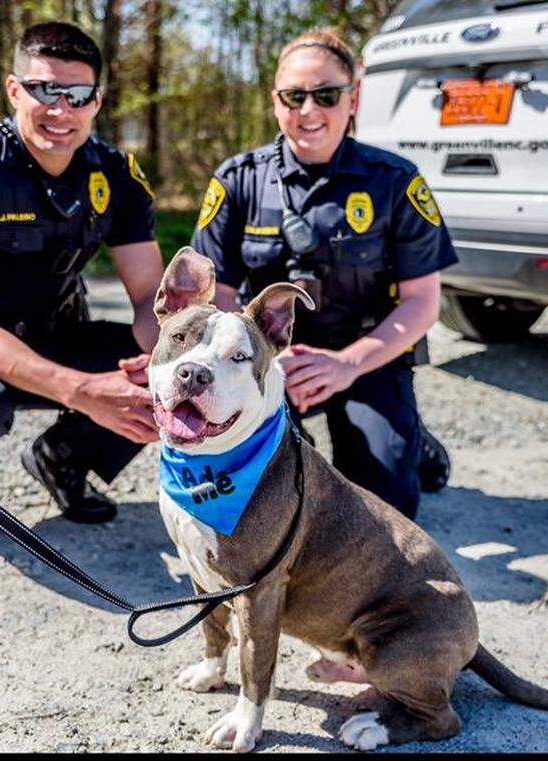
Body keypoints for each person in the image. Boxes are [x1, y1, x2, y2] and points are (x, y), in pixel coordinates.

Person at [0, 21, 163, 553]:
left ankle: (63, 458)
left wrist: (167, 358)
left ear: (97, 101)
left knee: (164, 371)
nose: (61, 110)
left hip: (55, 330)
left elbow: (151, 299)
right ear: (13, 90)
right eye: (45, 90)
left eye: (78, 95)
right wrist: (83, 391)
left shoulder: (116, 174)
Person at [190, 28, 456, 521]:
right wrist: (264, 365)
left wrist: (347, 365)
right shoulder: (238, 180)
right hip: (268, 364)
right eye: (294, 96)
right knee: (264, 490)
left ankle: (406, 435)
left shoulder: (396, 182)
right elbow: (216, 296)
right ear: (275, 102)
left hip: (366, 357)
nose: (309, 111)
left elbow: (423, 302)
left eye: (327, 95)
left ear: (354, 99)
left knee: (385, 505)